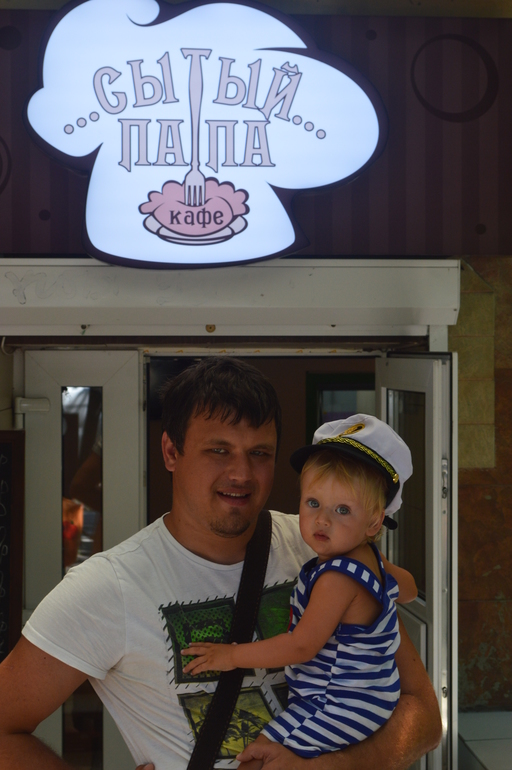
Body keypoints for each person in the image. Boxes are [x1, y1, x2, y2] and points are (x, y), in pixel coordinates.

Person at [0, 358, 441, 770]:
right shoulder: (108, 586)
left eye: (260, 453)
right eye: (218, 450)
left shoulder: (325, 547)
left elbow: (423, 713)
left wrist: (332, 767)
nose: (241, 474)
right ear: (171, 452)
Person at [182, 415, 419, 767]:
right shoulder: (371, 557)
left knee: (256, 759)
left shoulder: (337, 578)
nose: (322, 520)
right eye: (313, 503)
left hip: (338, 704)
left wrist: (230, 656)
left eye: (342, 510)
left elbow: (301, 646)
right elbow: (409, 589)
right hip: (373, 698)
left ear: (374, 521)